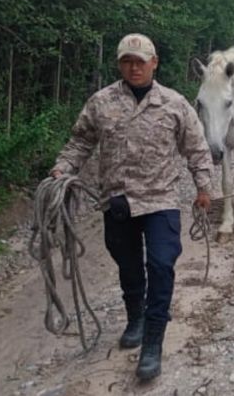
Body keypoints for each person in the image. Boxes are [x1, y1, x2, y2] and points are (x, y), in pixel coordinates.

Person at [50, 33, 213, 381]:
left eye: (140, 61)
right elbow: (80, 142)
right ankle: (135, 318)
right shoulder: (101, 102)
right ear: (119, 64)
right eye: (127, 61)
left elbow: (197, 148)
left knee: (161, 264)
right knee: (127, 265)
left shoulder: (174, 104)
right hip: (118, 201)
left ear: (154, 63)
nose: (133, 67)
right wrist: (63, 168)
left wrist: (204, 187)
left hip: (161, 200)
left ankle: (153, 342)